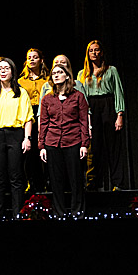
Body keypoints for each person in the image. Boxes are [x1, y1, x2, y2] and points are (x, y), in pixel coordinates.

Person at [0, 58, 34, 219]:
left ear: (13, 71)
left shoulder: (21, 92)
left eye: (6, 68)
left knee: (16, 176)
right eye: (0, 68)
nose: (2, 71)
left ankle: (18, 215)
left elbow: (28, 118)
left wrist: (27, 138)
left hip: (15, 135)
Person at [39, 64, 90, 216]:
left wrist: (84, 144)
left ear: (67, 76)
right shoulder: (47, 99)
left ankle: (77, 212)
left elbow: (83, 121)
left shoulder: (78, 96)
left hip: (73, 141)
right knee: (56, 180)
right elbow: (43, 123)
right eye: (54, 73)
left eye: (60, 72)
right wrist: (41, 146)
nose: (56, 75)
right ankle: (59, 213)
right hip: (52, 142)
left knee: (76, 180)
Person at [77, 40, 125, 191]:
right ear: (87, 53)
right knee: (94, 147)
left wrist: (120, 114)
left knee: (113, 146)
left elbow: (118, 92)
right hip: (91, 108)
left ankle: (117, 183)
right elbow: (81, 97)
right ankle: (95, 184)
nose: (94, 53)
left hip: (108, 105)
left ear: (102, 52)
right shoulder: (82, 74)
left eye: (97, 50)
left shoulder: (111, 70)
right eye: (91, 50)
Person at [18, 48, 50, 194]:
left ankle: (46, 182)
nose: (31, 60)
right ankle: (31, 182)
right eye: (29, 57)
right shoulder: (20, 81)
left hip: (44, 114)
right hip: (27, 115)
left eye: (35, 57)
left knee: (44, 148)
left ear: (41, 60)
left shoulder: (48, 80)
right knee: (29, 153)